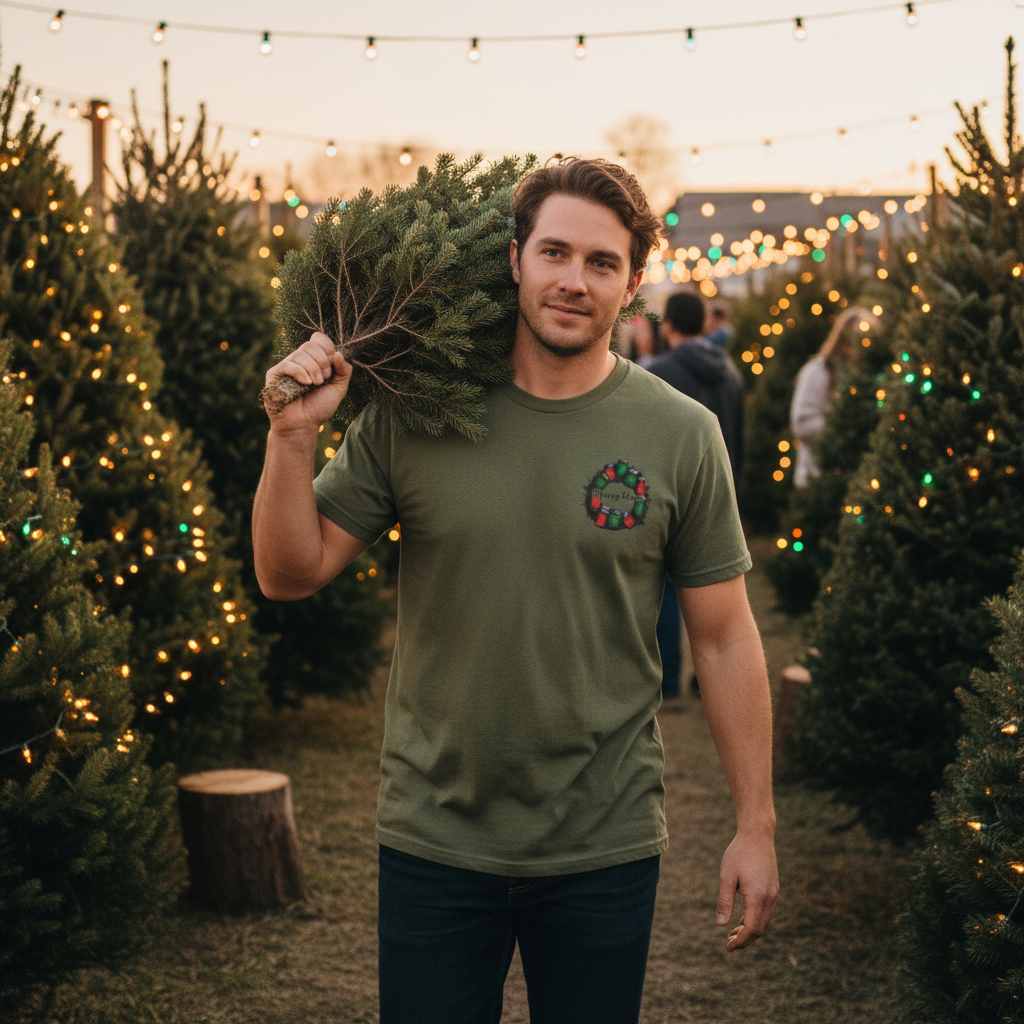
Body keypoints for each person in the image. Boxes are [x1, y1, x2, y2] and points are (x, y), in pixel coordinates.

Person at [253, 157, 777, 1024]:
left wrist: (755, 825)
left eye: (602, 263)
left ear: (633, 282)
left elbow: (722, 638)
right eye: (555, 253)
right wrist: (292, 437)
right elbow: (287, 572)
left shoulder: (683, 435)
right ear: (515, 260)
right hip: (434, 839)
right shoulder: (418, 410)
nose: (574, 281)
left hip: (602, 845)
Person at [646, 291, 746, 704]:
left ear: (668, 325)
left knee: (668, 588)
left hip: (670, 491)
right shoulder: (732, 373)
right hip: (722, 489)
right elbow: (739, 436)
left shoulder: (658, 374)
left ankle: (668, 683)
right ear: (705, 324)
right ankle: (709, 681)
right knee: (717, 588)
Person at [790, 306, 877, 487]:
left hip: (861, 481)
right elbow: (801, 425)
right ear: (844, 339)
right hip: (819, 477)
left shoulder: (870, 375)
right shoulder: (818, 372)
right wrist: (844, 425)